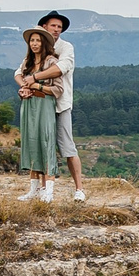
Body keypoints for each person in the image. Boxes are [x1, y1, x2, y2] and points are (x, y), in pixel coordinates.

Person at [32, 10, 85, 202]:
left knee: (67, 147)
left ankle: (79, 189)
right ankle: (42, 189)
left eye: (59, 27)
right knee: (41, 146)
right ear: (44, 27)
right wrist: (24, 86)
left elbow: (60, 69)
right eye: (53, 26)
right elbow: (20, 70)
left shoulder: (66, 47)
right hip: (40, 104)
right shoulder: (38, 46)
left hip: (60, 104)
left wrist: (34, 79)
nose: (56, 29)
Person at [13, 27, 63, 201]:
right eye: (32, 40)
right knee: (31, 142)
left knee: (46, 142)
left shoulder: (51, 62)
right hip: (28, 104)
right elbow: (20, 80)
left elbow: (58, 89)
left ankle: (48, 191)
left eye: (38, 41)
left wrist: (36, 86)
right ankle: (34, 189)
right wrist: (23, 90)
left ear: (44, 43)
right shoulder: (27, 62)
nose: (34, 44)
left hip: (45, 104)